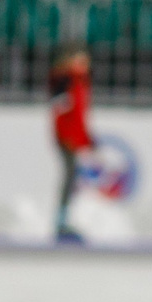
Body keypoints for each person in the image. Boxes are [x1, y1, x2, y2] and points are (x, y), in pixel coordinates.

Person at [48, 44, 95, 246]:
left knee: (72, 177)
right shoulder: (65, 80)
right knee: (69, 177)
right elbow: (62, 114)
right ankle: (61, 221)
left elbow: (79, 116)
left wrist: (86, 138)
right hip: (66, 139)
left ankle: (65, 219)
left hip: (72, 138)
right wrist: (67, 137)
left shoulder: (79, 81)